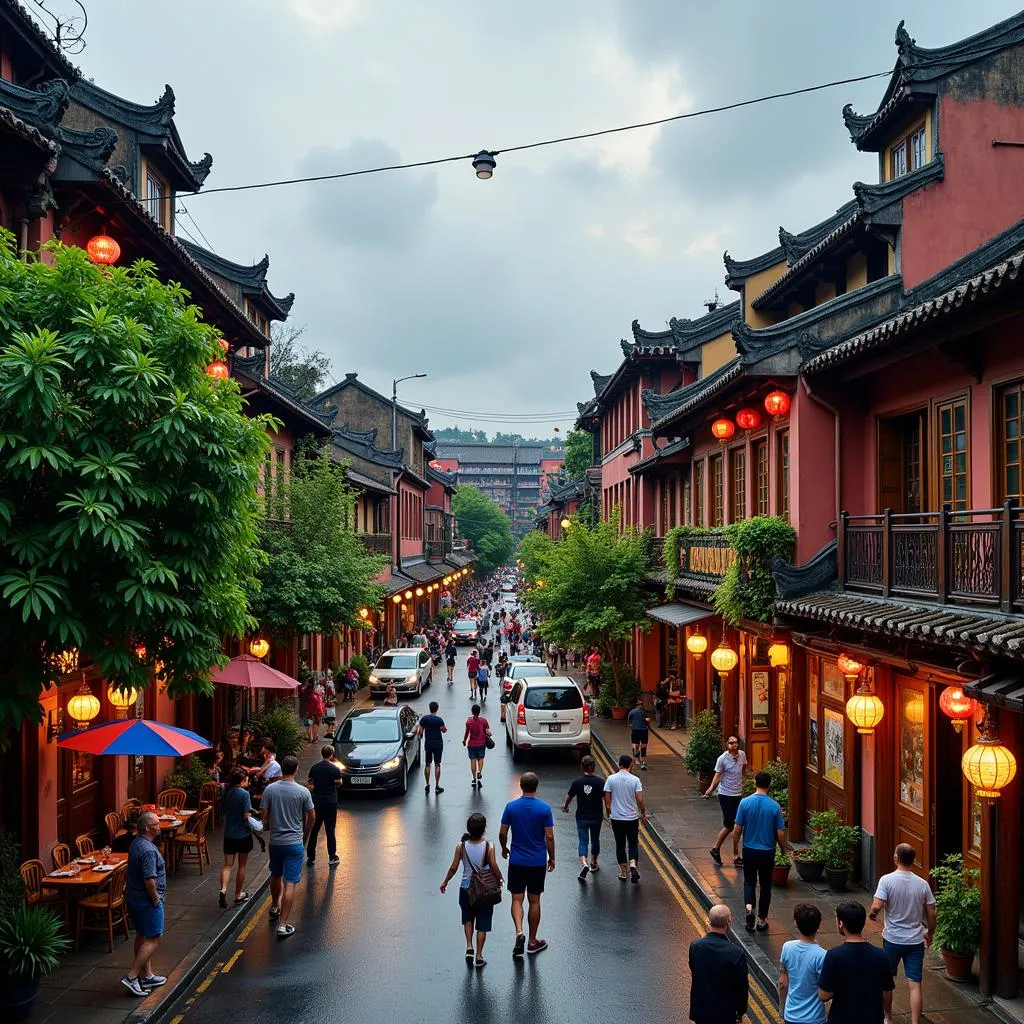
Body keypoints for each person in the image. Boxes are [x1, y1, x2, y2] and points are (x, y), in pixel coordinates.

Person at [869, 843, 936, 1024]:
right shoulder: (922, 884)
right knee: (915, 984)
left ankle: (888, 1018)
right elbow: (931, 912)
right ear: (913, 860)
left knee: (887, 981)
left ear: (896, 858)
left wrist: (873, 914)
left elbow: (877, 905)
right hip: (915, 940)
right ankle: (915, 1022)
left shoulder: (886, 880)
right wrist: (930, 932)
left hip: (892, 939)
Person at [499, 772, 554, 957]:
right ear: (536, 787)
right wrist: (551, 857)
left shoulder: (511, 807)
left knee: (516, 899)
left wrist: (504, 848)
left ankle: (518, 932)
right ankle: (532, 941)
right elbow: (549, 836)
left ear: (521, 786)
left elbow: (502, 832)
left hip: (517, 860)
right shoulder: (544, 809)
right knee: (535, 900)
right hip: (537, 861)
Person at [439, 812, 504, 969]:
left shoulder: (461, 847)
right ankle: (479, 955)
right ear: (484, 829)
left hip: (465, 887)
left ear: (468, 829)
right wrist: (500, 878)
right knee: (482, 923)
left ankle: (469, 945)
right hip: (484, 890)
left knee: (468, 918)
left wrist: (445, 881)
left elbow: (454, 867)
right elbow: (494, 866)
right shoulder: (490, 846)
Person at [260, 754, 315, 940]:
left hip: (276, 842)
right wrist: (304, 836)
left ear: (281, 769)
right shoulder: (303, 792)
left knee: (275, 874)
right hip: (294, 843)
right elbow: (311, 817)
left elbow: (264, 815)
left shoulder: (270, 790)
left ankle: (275, 906)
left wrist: (268, 826)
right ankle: (283, 925)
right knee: (290, 882)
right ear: (296, 769)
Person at [818, 902, 894, 1024]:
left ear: (841, 924)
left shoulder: (834, 956)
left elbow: (824, 995)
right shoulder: (881, 955)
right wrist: (888, 1017)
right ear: (863, 923)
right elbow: (887, 991)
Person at [733, 770, 787, 932]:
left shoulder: (744, 803)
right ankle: (762, 920)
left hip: (749, 849)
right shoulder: (774, 806)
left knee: (749, 882)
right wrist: (783, 848)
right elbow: (780, 832)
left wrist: (736, 848)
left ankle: (749, 909)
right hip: (767, 851)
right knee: (765, 885)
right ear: (769, 785)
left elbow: (737, 829)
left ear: (755, 783)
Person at [121, 811, 167, 996]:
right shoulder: (148, 850)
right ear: (148, 827)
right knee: (154, 937)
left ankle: (146, 976)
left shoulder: (137, 843)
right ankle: (132, 976)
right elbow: (149, 879)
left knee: (142, 935)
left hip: (134, 898)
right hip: (147, 901)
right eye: (156, 823)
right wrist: (156, 899)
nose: (159, 825)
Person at [687, 904, 748, 1024]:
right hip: (725, 1014)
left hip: (701, 1011)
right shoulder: (736, 953)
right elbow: (742, 988)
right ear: (728, 923)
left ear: (708, 921)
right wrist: (740, 1012)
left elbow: (693, 968)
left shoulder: (695, 946)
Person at [779, 903, 827, 1024]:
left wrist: (782, 1009)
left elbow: (782, 983)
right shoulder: (822, 955)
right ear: (819, 925)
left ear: (795, 923)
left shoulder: (787, 947)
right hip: (815, 1018)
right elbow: (825, 991)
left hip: (791, 1015)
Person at [705, 735, 749, 867]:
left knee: (738, 825)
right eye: (731, 743)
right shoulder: (722, 759)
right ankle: (721, 850)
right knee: (731, 825)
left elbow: (744, 769)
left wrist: (751, 778)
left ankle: (729, 853)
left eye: (735, 742)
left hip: (738, 794)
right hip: (725, 794)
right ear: (726, 745)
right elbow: (717, 775)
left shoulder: (742, 755)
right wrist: (710, 788)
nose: (733, 745)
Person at [604, 753, 647, 882]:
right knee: (633, 843)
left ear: (619, 764)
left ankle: (623, 872)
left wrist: (609, 813)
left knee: (620, 844)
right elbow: (639, 799)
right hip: (632, 818)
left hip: (617, 818)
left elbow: (607, 800)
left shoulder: (611, 779)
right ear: (631, 765)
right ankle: (633, 863)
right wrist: (643, 811)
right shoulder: (635, 780)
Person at [561, 754, 605, 881]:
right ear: (594, 767)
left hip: (581, 817)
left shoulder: (577, 783)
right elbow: (607, 800)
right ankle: (593, 863)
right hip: (596, 816)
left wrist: (565, 806)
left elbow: (570, 796)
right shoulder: (600, 782)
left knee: (583, 841)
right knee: (595, 839)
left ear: (582, 767)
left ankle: (584, 863)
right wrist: (609, 813)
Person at [218, 770, 255, 909]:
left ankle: (223, 890)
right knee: (242, 865)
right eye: (246, 779)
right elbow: (246, 816)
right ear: (242, 781)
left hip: (229, 834)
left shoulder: (227, 793)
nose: (247, 782)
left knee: (227, 865)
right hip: (243, 835)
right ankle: (238, 894)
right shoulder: (244, 794)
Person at [306, 744, 342, 867]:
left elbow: (310, 783)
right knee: (330, 829)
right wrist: (331, 783)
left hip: (317, 801)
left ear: (322, 754)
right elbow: (339, 782)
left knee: (314, 829)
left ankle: (310, 856)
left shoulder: (315, 768)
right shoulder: (334, 769)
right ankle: (332, 856)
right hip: (330, 801)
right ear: (331, 754)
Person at [418, 701, 447, 793]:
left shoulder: (424, 719)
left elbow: (420, 732)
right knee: (437, 764)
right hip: (438, 743)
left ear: (430, 708)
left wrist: (422, 736)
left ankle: (427, 784)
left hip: (428, 743)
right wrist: (442, 728)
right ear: (437, 709)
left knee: (427, 764)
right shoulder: (439, 720)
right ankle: (437, 786)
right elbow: (444, 730)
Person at [463, 704, 491, 788]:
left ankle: (474, 779)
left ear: (472, 712)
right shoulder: (484, 721)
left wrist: (464, 740)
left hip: (471, 744)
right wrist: (489, 734)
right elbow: (487, 731)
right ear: (479, 712)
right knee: (481, 758)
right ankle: (479, 771)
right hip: (481, 743)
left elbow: (467, 733)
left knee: (473, 760)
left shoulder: (469, 722)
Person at [626, 698, 650, 770]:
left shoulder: (632, 712)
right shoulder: (644, 712)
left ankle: (637, 756)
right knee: (642, 746)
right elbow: (648, 720)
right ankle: (641, 760)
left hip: (637, 730)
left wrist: (632, 725)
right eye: (640, 704)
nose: (641, 706)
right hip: (643, 730)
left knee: (637, 744)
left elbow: (629, 722)